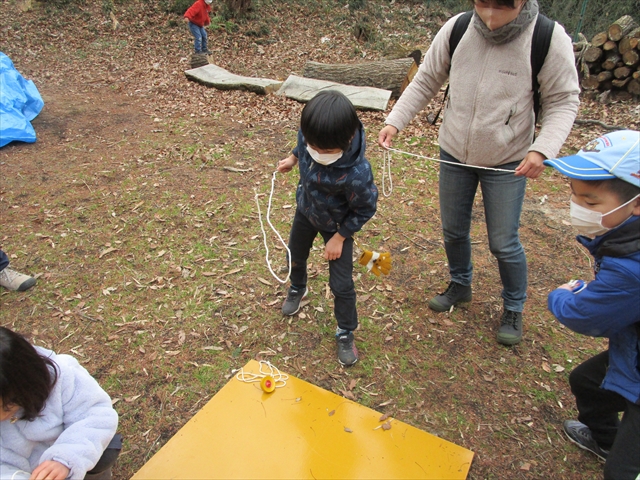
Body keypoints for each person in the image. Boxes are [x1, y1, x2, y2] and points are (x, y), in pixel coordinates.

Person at [378, 0, 579, 346]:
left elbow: (563, 100)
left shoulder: (547, 37)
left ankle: (513, 307)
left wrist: (542, 148)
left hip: (508, 159)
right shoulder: (458, 28)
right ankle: (460, 284)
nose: (489, 16)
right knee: (453, 229)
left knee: (503, 242)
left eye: (501, 8)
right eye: (482, 4)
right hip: (454, 151)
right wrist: (396, 120)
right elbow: (426, 79)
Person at [544, 130, 640, 480]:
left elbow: (585, 314)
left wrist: (563, 294)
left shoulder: (632, 270)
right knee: (587, 382)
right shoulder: (627, 239)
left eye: (591, 202)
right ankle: (605, 439)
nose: (577, 208)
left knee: (622, 472)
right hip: (634, 348)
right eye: (575, 196)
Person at [277, 90, 378, 366]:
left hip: (337, 226)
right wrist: (294, 158)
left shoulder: (357, 174)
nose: (317, 153)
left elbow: (366, 208)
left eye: (326, 151)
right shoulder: (312, 136)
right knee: (294, 253)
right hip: (306, 211)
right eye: (313, 147)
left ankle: (345, 330)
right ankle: (298, 287)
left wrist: (340, 237)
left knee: (341, 284)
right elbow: (302, 144)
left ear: (346, 140)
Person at [0, 326, 121, 480]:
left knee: (106, 449)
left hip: (71, 454)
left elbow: (95, 416)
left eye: (6, 406)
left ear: (25, 385)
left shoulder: (63, 376)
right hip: (25, 472)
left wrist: (66, 459)